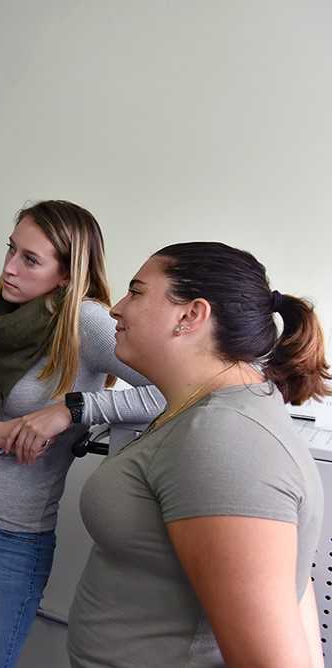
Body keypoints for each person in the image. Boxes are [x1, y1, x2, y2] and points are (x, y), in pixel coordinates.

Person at [0, 200, 164, 668]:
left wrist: (72, 410)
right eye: (10, 250)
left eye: (30, 259)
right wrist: (2, 431)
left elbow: (174, 393)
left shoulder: (86, 323)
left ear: (67, 274)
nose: (9, 269)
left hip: (7, 539)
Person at [69, 242, 328, 668]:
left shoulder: (225, 439)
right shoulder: (203, 414)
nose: (116, 308)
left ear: (190, 315)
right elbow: (292, 594)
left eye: (136, 292)